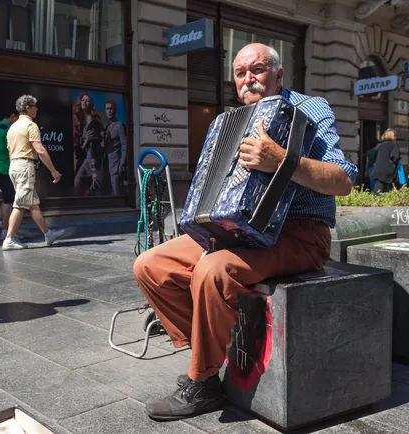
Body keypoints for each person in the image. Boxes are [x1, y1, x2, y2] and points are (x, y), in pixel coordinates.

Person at [133, 43, 357, 421]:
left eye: (258, 69)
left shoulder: (311, 108)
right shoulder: (231, 120)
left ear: (279, 74)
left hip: (300, 235)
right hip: (238, 232)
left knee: (212, 271)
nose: (249, 78)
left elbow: (344, 180)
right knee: (150, 265)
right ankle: (211, 350)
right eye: (240, 72)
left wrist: (282, 162)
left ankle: (203, 383)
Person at [2, 95, 66, 250]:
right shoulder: (30, 125)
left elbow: (10, 151)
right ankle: (9, 239)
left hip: (14, 166)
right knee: (20, 204)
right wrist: (53, 171)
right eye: (35, 106)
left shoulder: (13, 127)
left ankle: (48, 234)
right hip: (24, 165)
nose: (37, 109)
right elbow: (41, 151)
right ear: (28, 108)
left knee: (32, 203)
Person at [0, 111, 18, 239]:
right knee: (9, 201)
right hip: (5, 169)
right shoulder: (8, 130)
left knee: (7, 197)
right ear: (12, 116)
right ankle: (6, 233)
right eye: (16, 118)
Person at [103, 99, 127, 196]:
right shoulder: (107, 126)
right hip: (105, 165)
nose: (109, 111)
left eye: (111, 109)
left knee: (117, 194)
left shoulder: (119, 125)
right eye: (107, 109)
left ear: (115, 110)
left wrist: (121, 166)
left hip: (115, 166)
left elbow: (125, 146)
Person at [370, 128, 401, 194]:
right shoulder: (395, 145)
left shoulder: (379, 145)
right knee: (387, 191)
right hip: (389, 171)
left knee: (378, 190)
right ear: (393, 136)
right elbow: (395, 157)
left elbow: (373, 156)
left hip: (378, 170)